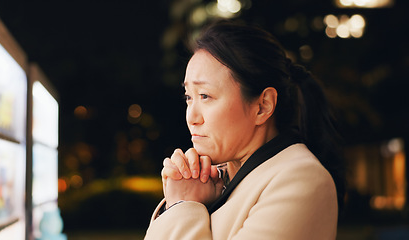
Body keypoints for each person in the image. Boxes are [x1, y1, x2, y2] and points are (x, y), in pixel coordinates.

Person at [144, 20, 344, 240]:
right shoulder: (217, 181)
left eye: (205, 96)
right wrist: (181, 200)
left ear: (263, 106)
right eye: (189, 97)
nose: (191, 117)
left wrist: (183, 205)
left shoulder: (300, 180)